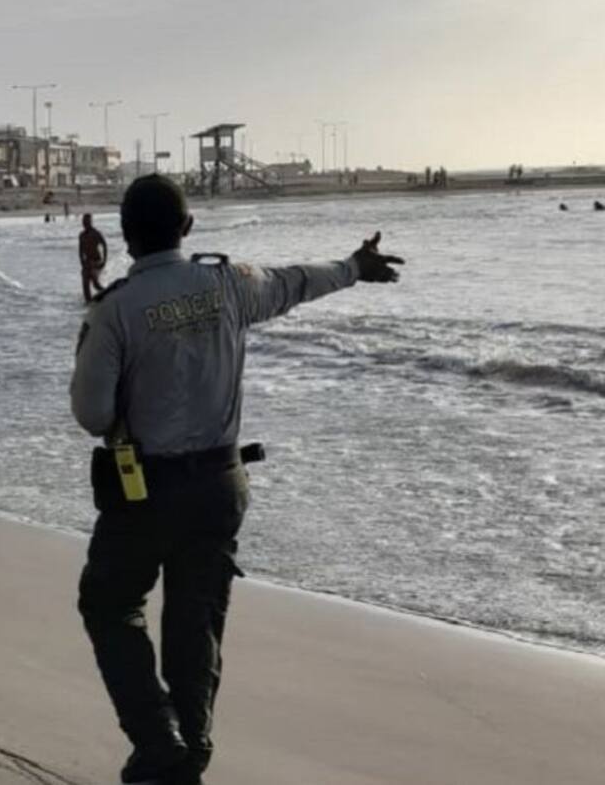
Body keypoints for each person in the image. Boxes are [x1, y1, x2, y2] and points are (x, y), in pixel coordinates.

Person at [70, 175, 403, 785]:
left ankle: (158, 739)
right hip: (220, 485)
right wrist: (356, 266)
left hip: (145, 492)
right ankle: (189, 751)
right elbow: (296, 282)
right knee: (196, 624)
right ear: (187, 227)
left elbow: (92, 415)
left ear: (124, 234)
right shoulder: (229, 284)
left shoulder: (115, 309)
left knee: (110, 604)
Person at [79, 212, 108, 302]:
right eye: (84, 222)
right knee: (85, 283)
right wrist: (82, 262)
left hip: (97, 261)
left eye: (87, 222)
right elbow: (80, 250)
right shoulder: (82, 235)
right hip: (87, 262)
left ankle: (108, 294)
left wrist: (104, 261)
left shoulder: (96, 233)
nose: (85, 224)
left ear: (90, 222)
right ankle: (88, 302)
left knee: (95, 284)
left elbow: (104, 245)